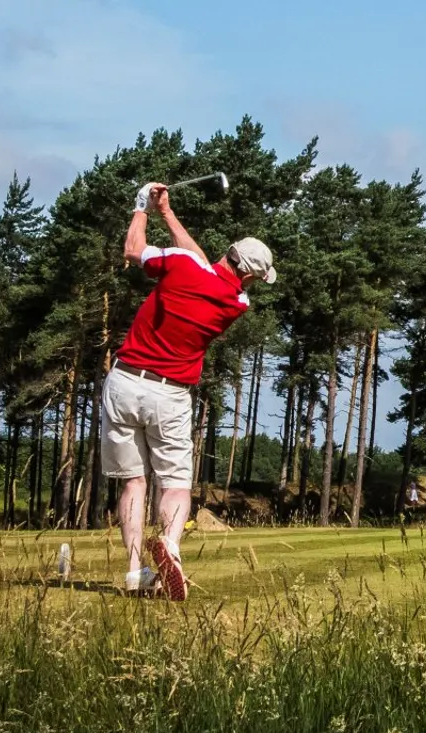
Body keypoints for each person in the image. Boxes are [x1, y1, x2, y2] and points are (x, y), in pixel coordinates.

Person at [103, 181, 275, 600]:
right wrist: (168, 213)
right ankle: (172, 550)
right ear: (249, 275)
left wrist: (142, 206)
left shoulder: (183, 265)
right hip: (171, 393)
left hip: (124, 382)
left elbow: (134, 249)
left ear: (229, 251)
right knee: (175, 483)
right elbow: (199, 264)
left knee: (133, 483)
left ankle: (133, 570)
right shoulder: (236, 302)